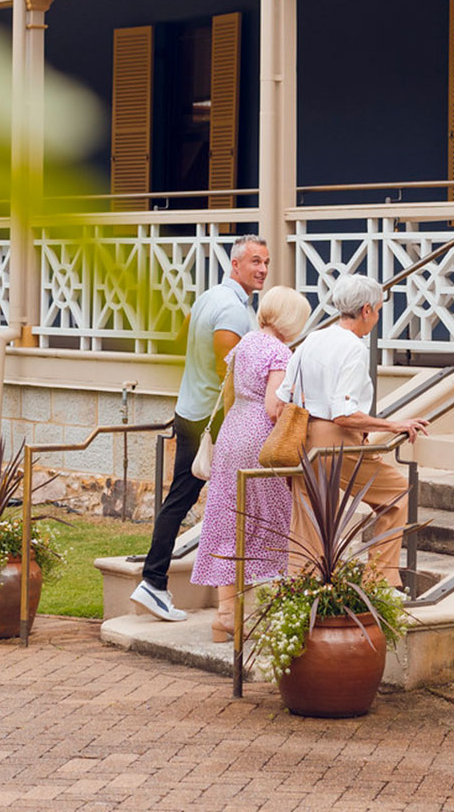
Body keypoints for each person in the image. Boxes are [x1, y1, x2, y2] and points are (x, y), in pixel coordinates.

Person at [130, 234, 271, 621]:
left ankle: (159, 582)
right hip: (210, 420)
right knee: (195, 499)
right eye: (254, 262)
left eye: (266, 263)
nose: (261, 269)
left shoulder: (209, 297)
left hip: (190, 410)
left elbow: (182, 342)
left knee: (186, 497)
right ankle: (155, 582)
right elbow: (235, 376)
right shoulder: (232, 311)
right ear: (235, 265)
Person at [275, 273, 428, 589]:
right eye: (379, 310)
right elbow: (343, 413)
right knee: (397, 494)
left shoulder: (314, 338)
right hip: (334, 440)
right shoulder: (353, 348)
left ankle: (302, 592)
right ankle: (379, 581)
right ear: (367, 310)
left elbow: (282, 397)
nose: (378, 317)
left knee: (308, 519)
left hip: (302, 437)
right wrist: (393, 425)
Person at [189, 285, 310, 641]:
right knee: (271, 517)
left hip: (232, 430)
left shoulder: (246, 342)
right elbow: (274, 406)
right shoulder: (280, 352)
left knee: (230, 517)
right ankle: (260, 611)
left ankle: (226, 615)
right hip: (259, 435)